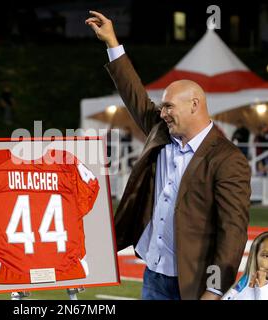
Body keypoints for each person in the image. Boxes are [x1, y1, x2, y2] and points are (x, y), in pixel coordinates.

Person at [86, 11, 251, 300]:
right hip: (154, 273)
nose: (161, 113)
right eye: (162, 107)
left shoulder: (227, 159)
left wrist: (214, 290)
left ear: (194, 105)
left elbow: (233, 230)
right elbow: (134, 95)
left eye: (169, 107)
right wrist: (112, 42)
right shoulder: (162, 131)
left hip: (194, 282)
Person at [222, 232, 268, 300]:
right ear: (255, 257)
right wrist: (249, 289)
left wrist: (262, 289)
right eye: (266, 256)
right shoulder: (245, 281)